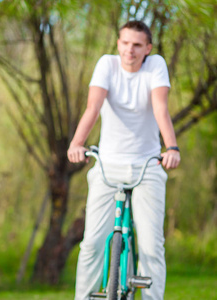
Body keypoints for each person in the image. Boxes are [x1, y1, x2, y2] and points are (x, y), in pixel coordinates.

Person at [68, 21, 180, 300]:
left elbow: (160, 108)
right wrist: (77, 144)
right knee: (92, 243)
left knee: (153, 247)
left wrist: (172, 147)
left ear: (148, 48)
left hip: (147, 164)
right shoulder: (107, 64)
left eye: (137, 45)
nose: (130, 50)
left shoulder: (155, 66)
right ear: (118, 43)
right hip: (108, 165)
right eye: (125, 43)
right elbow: (93, 107)